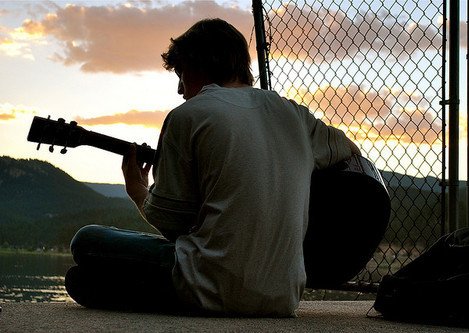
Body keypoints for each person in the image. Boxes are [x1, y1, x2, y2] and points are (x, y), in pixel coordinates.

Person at [65, 18, 360, 317]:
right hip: (283, 297)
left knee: (85, 243)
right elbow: (349, 150)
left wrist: (138, 190)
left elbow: (172, 225)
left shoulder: (188, 115)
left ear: (200, 63)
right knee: (81, 279)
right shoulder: (295, 115)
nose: (180, 88)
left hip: (209, 286)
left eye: (181, 73)